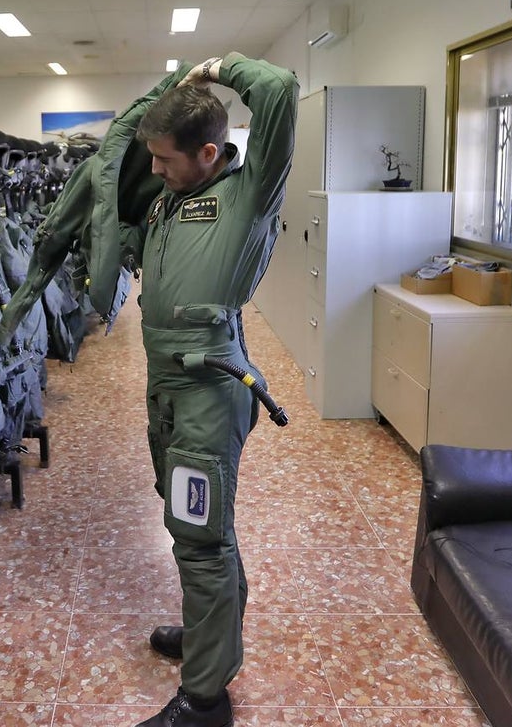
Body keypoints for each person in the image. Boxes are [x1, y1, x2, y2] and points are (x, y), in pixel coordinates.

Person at [126, 53, 299, 727]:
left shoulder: (250, 192)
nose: (155, 172)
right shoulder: (174, 196)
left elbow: (281, 88)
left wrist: (218, 68)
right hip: (166, 388)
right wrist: (170, 94)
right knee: (196, 528)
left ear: (208, 152)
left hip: (208, 387)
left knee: (201, 539)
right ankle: (211, 642)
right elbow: (139, 157)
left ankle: (205, 699)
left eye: (166, 160)